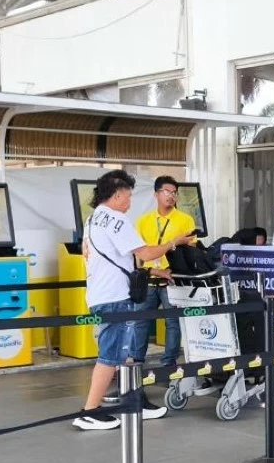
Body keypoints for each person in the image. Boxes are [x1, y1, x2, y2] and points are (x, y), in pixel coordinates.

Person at [75, 170, 191, 430]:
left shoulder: (93, 219)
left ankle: (133, 400)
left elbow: (120, 260)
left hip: (100, 293)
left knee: (125, 354)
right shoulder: (117, 220)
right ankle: (89, 410)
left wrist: (155, 272)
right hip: (115, 297)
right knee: (111, 355)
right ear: (117, 195)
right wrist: (174, 243)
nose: (130, 203)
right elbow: (146, 252)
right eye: (128, 196)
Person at [135, 176, 198, 372]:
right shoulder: (143, 221)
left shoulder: (185, 220)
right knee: (141, 321)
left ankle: (169, 362)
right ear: (156, 194)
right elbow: (138, 252)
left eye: (174, 193)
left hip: (172, 279)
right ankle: (137, 361)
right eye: (166, 192)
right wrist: (148, 270)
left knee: (173, 322)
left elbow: (192, 250)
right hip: (149, 277)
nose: (171, 196)